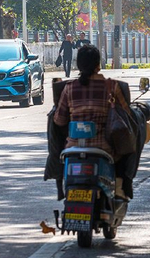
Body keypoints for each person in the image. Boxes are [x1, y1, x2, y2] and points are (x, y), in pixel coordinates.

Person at [53, 44, 133, 197]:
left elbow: (59, 120)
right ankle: (124, 185)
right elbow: (126, 115)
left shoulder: (69, 88)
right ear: (98, 65)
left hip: (73, 149)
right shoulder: (111, 86)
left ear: (79, 65)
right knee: (128, 148)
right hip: (104, 149)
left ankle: (58, 181)